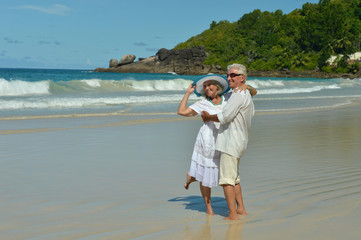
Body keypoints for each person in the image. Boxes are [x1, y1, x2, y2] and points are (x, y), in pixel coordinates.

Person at [177, 74, 256, 215]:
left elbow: (252, 93)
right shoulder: (202, 104)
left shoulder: (229, 98)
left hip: (226, 140)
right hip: (207, 142)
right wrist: (188, 93)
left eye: (210, 85)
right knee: (206, 176)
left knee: (230, 175)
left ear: (218, 87)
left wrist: (246, 86)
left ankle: (240, 208)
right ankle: (209, 208)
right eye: (205, 87)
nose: (207, 88)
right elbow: (181, 112)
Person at [201, 63, 255, 220]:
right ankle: (241, 210)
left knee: (226, 180)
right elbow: (253, 92)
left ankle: (232, 215)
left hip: (231, 142)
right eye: (228, 75)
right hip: (240, 141)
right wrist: (249, 87)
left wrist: (207, 117)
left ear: (241, 78)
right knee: (234, 178)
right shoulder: (244, 93)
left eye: (233, 75)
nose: (228, 77)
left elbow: (225, 117)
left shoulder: (238, 95)